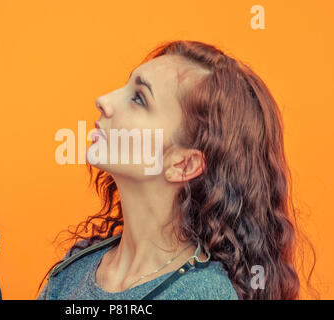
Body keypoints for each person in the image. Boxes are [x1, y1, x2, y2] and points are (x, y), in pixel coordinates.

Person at [37, 40, 316, 300]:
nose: (104, 100)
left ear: (184, 164)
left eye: (139, 99)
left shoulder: (203, 293)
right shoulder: (75, 268)